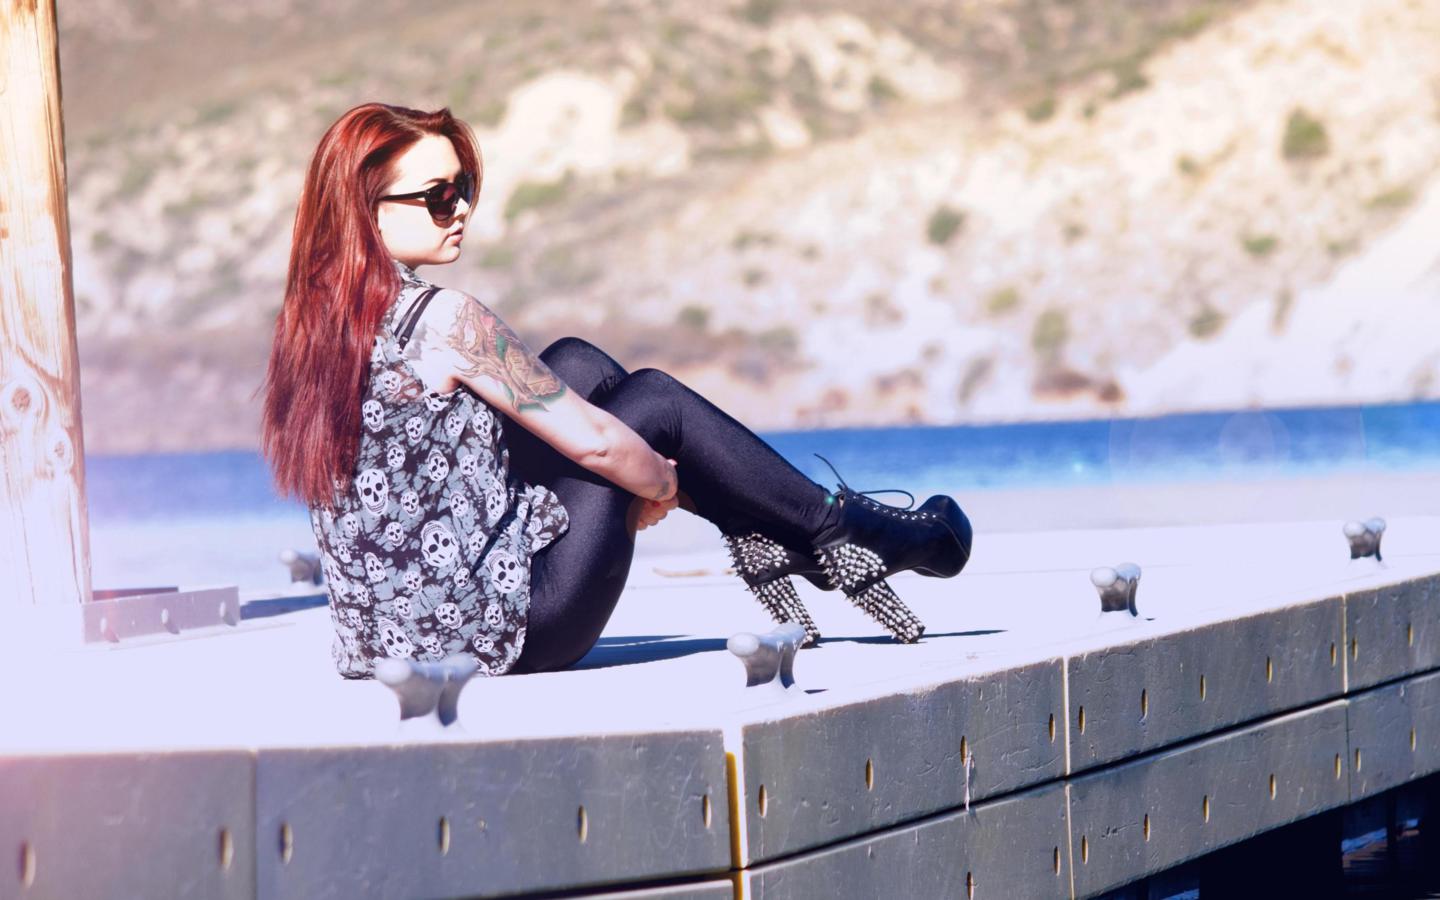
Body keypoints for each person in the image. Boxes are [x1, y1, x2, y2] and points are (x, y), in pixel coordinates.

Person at [260, 103, 973, 678]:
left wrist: (649, 482)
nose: (463, 210)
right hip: (514, 629)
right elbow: (601, 445)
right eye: (439, 197)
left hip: (383, 637)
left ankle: (772, 529)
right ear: (368, 211)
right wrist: (661, 485)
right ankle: (838, 531)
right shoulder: (443, 319)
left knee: (574, 362)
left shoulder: (312, 325)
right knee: (655, 402)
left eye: (465, 188)